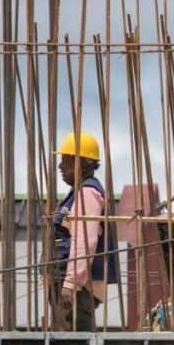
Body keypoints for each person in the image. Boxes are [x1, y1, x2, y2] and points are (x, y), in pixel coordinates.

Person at [52, 131, 118, 331]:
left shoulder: (87, 194)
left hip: (79, 288)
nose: (60, 166)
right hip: (74, 284)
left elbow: (85, 242)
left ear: (83, 163)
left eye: (66, 161)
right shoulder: (78, 192)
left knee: (75, 343)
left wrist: (71, 284)